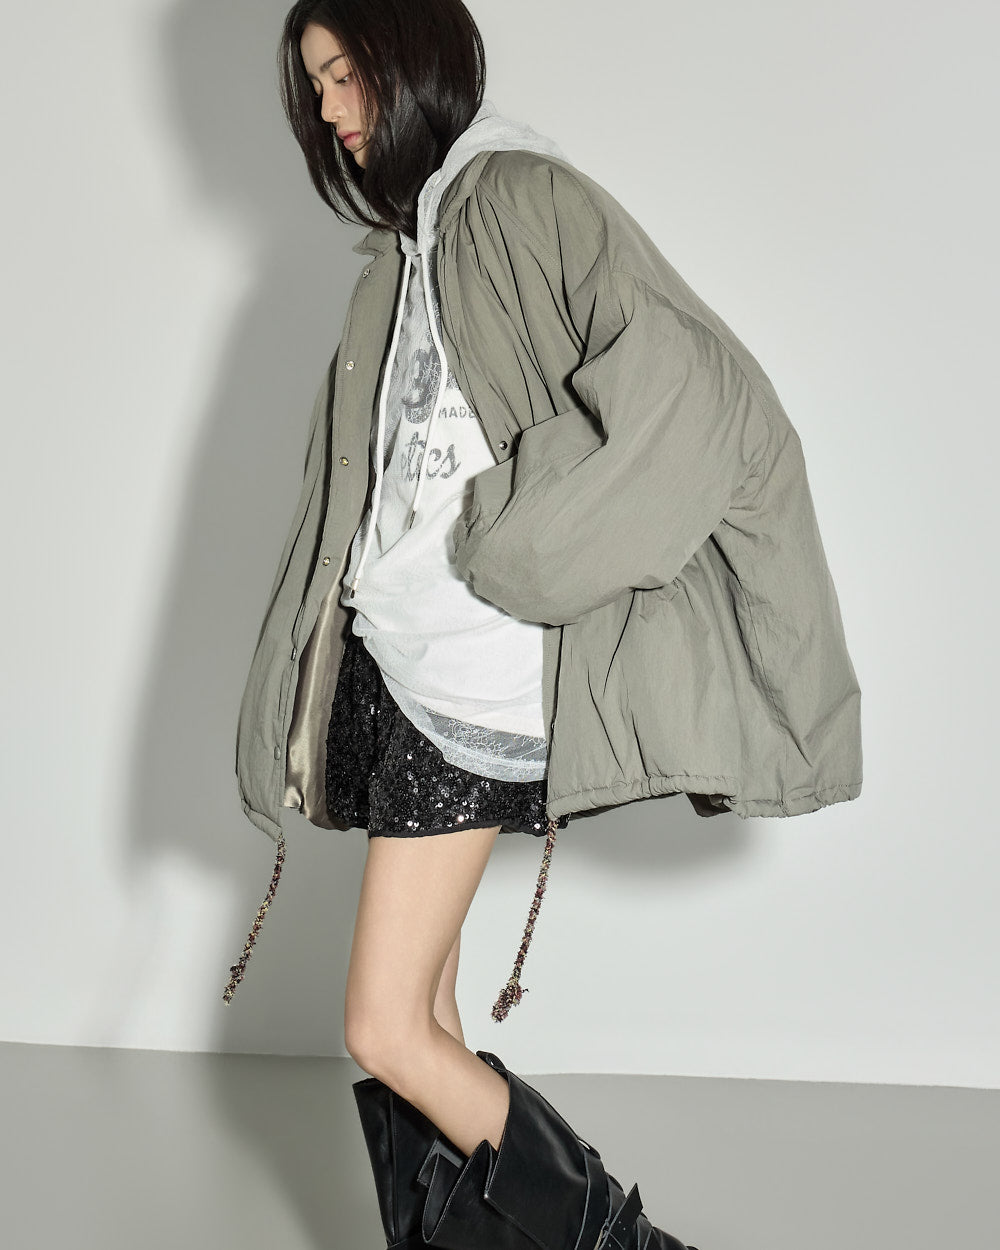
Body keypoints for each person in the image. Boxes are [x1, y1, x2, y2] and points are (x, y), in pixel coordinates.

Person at [223, 2, 863, 1247]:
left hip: (473, 677)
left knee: (382, 1027)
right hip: (403, 666)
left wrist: (520, 550)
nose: (333, 109)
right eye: (316, 84)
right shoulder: (414, 241)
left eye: (347, 73)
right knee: (428, 1024)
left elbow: (695, 392)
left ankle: (628, 1242)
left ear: (412, 55)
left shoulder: (519, 196)